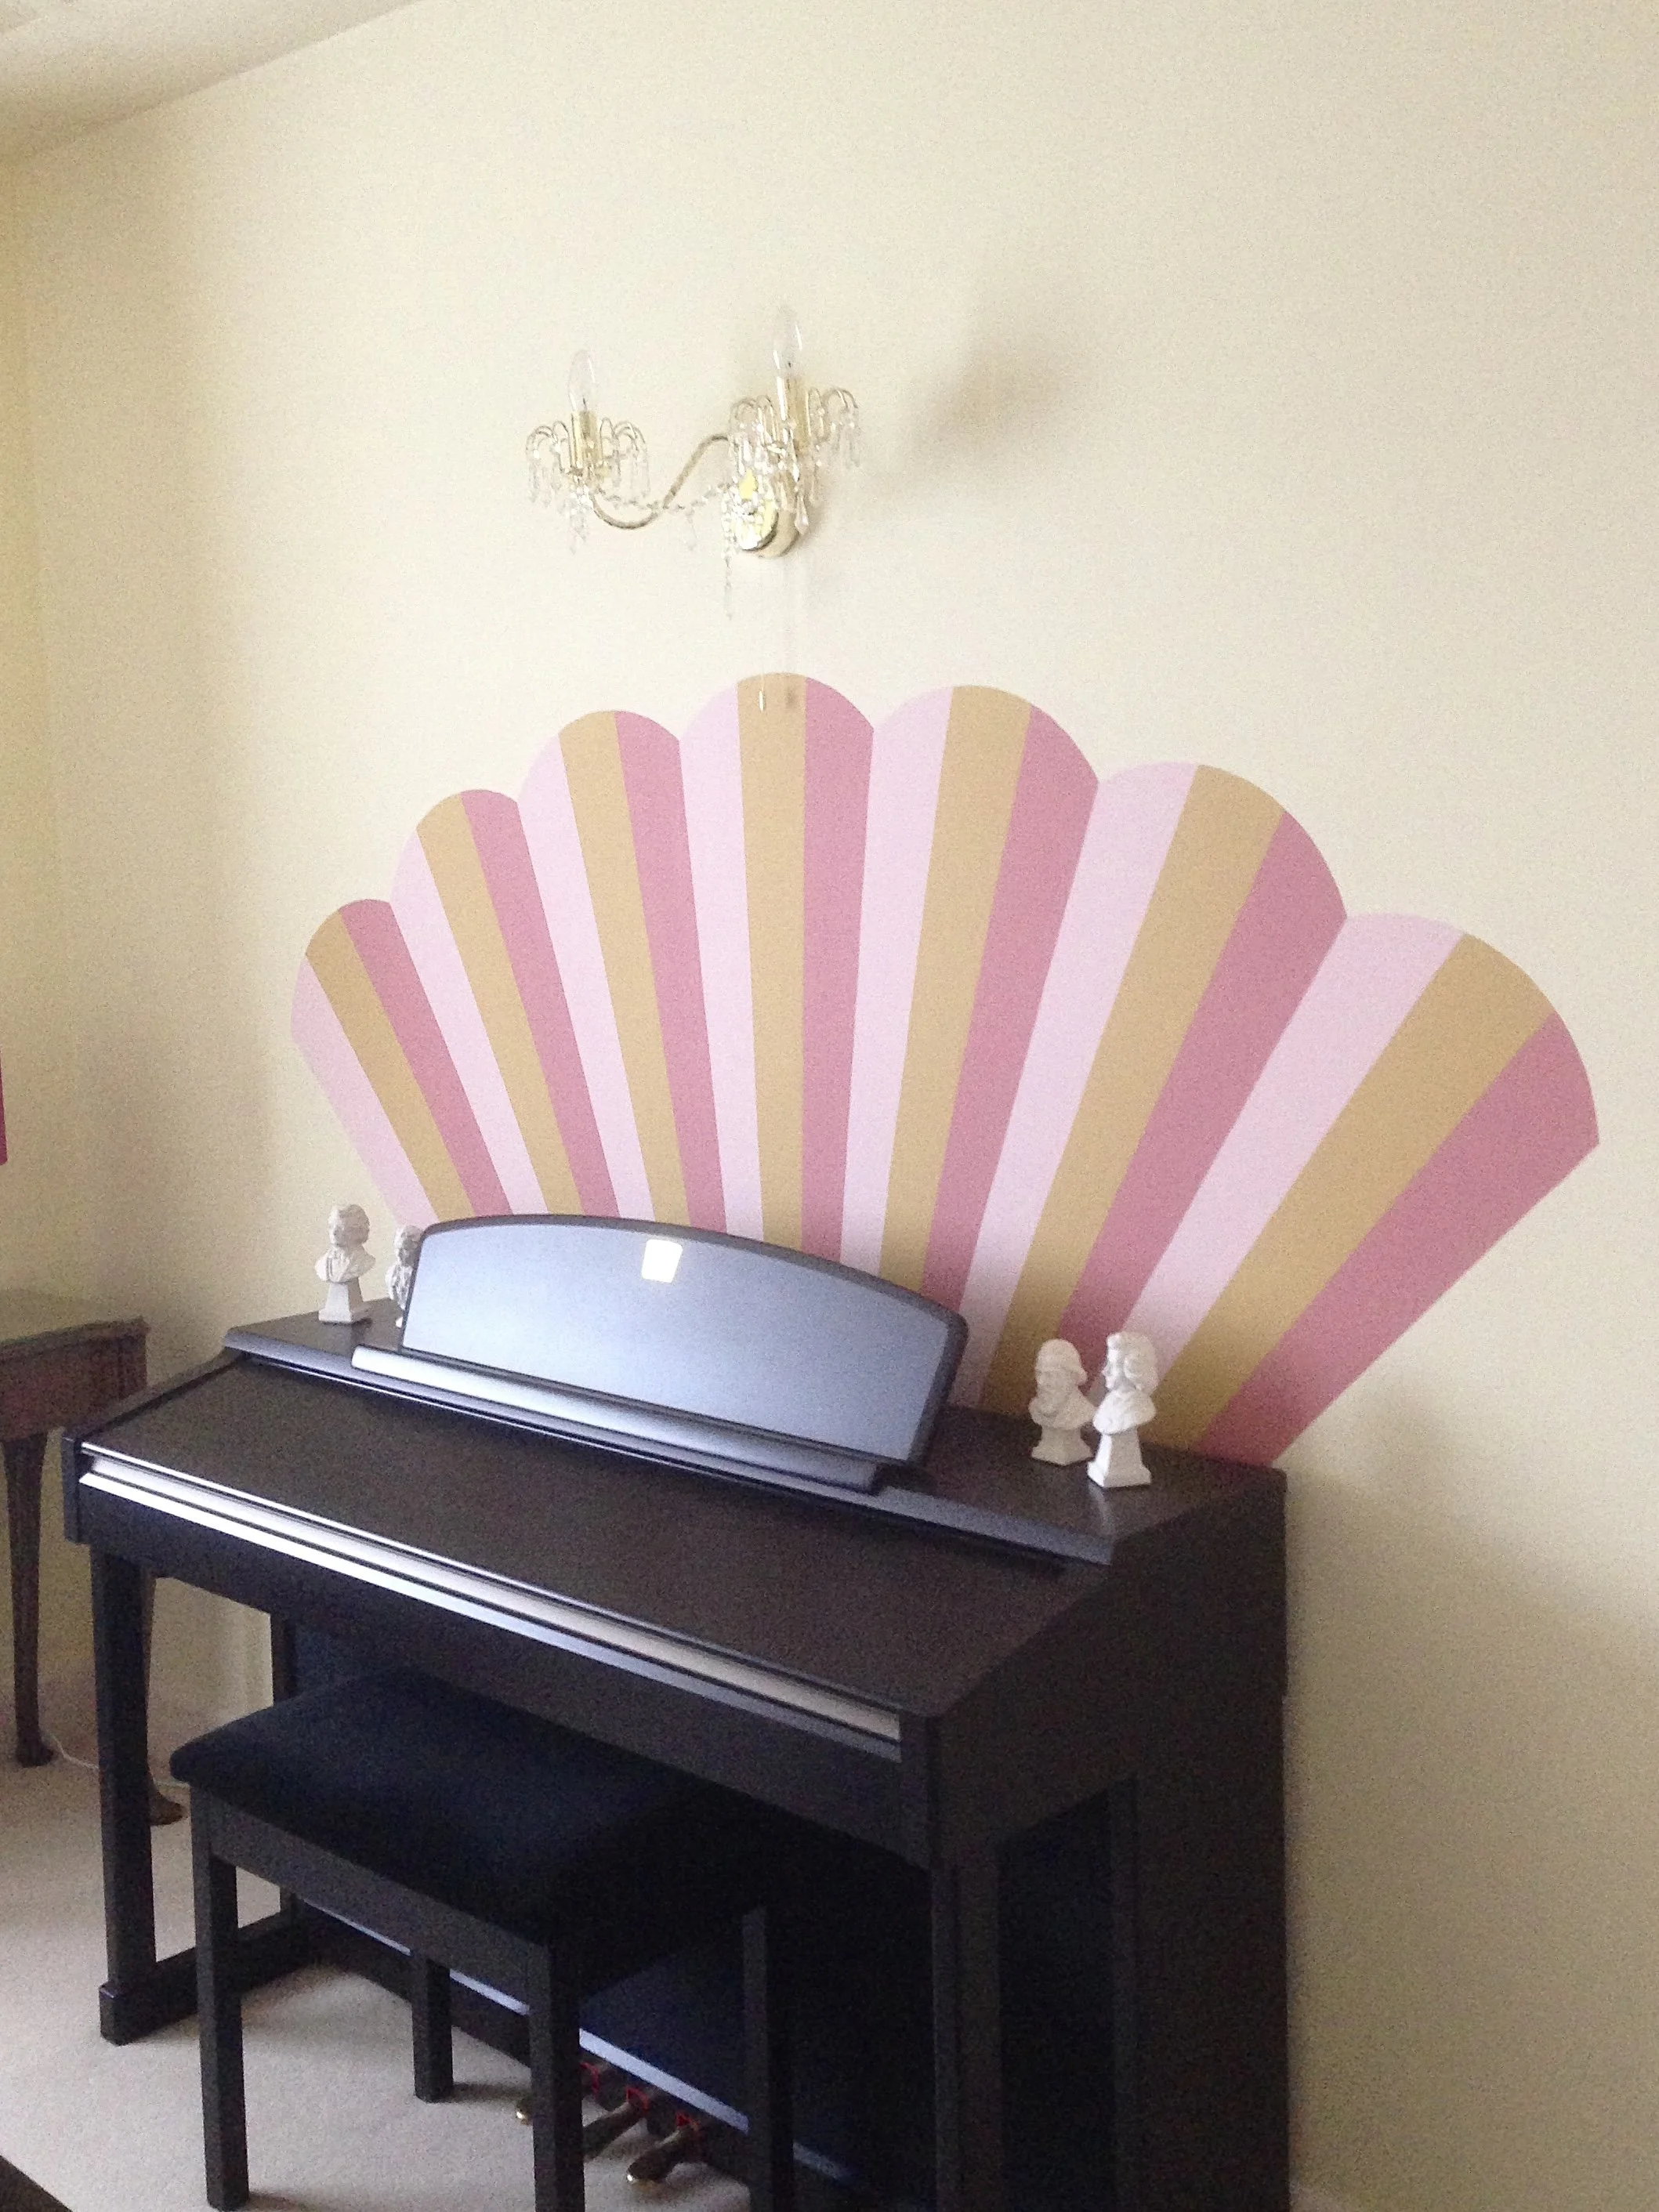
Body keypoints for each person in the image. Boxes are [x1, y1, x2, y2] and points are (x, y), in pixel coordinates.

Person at [1089, 1330, 1159, 1488]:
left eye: (1113, 1365)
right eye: (1107, 1363)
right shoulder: (1109, 1402)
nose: (1104, 1371)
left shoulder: (1140, 1408)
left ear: (1133, 1369)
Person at [1029, 1338, 1096, 1464]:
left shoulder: (1083, 1412)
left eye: (1051, 1375)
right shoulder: (1036, 1407)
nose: (1041, 1382)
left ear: (1072, 1378)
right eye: (1039, 1373)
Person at [316, 1203, 373, 1323]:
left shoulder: (364, 1261)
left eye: (341, 1227)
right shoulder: (322, 1264)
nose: (334, 1232)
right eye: (331, 1226)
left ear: (357, 1231)